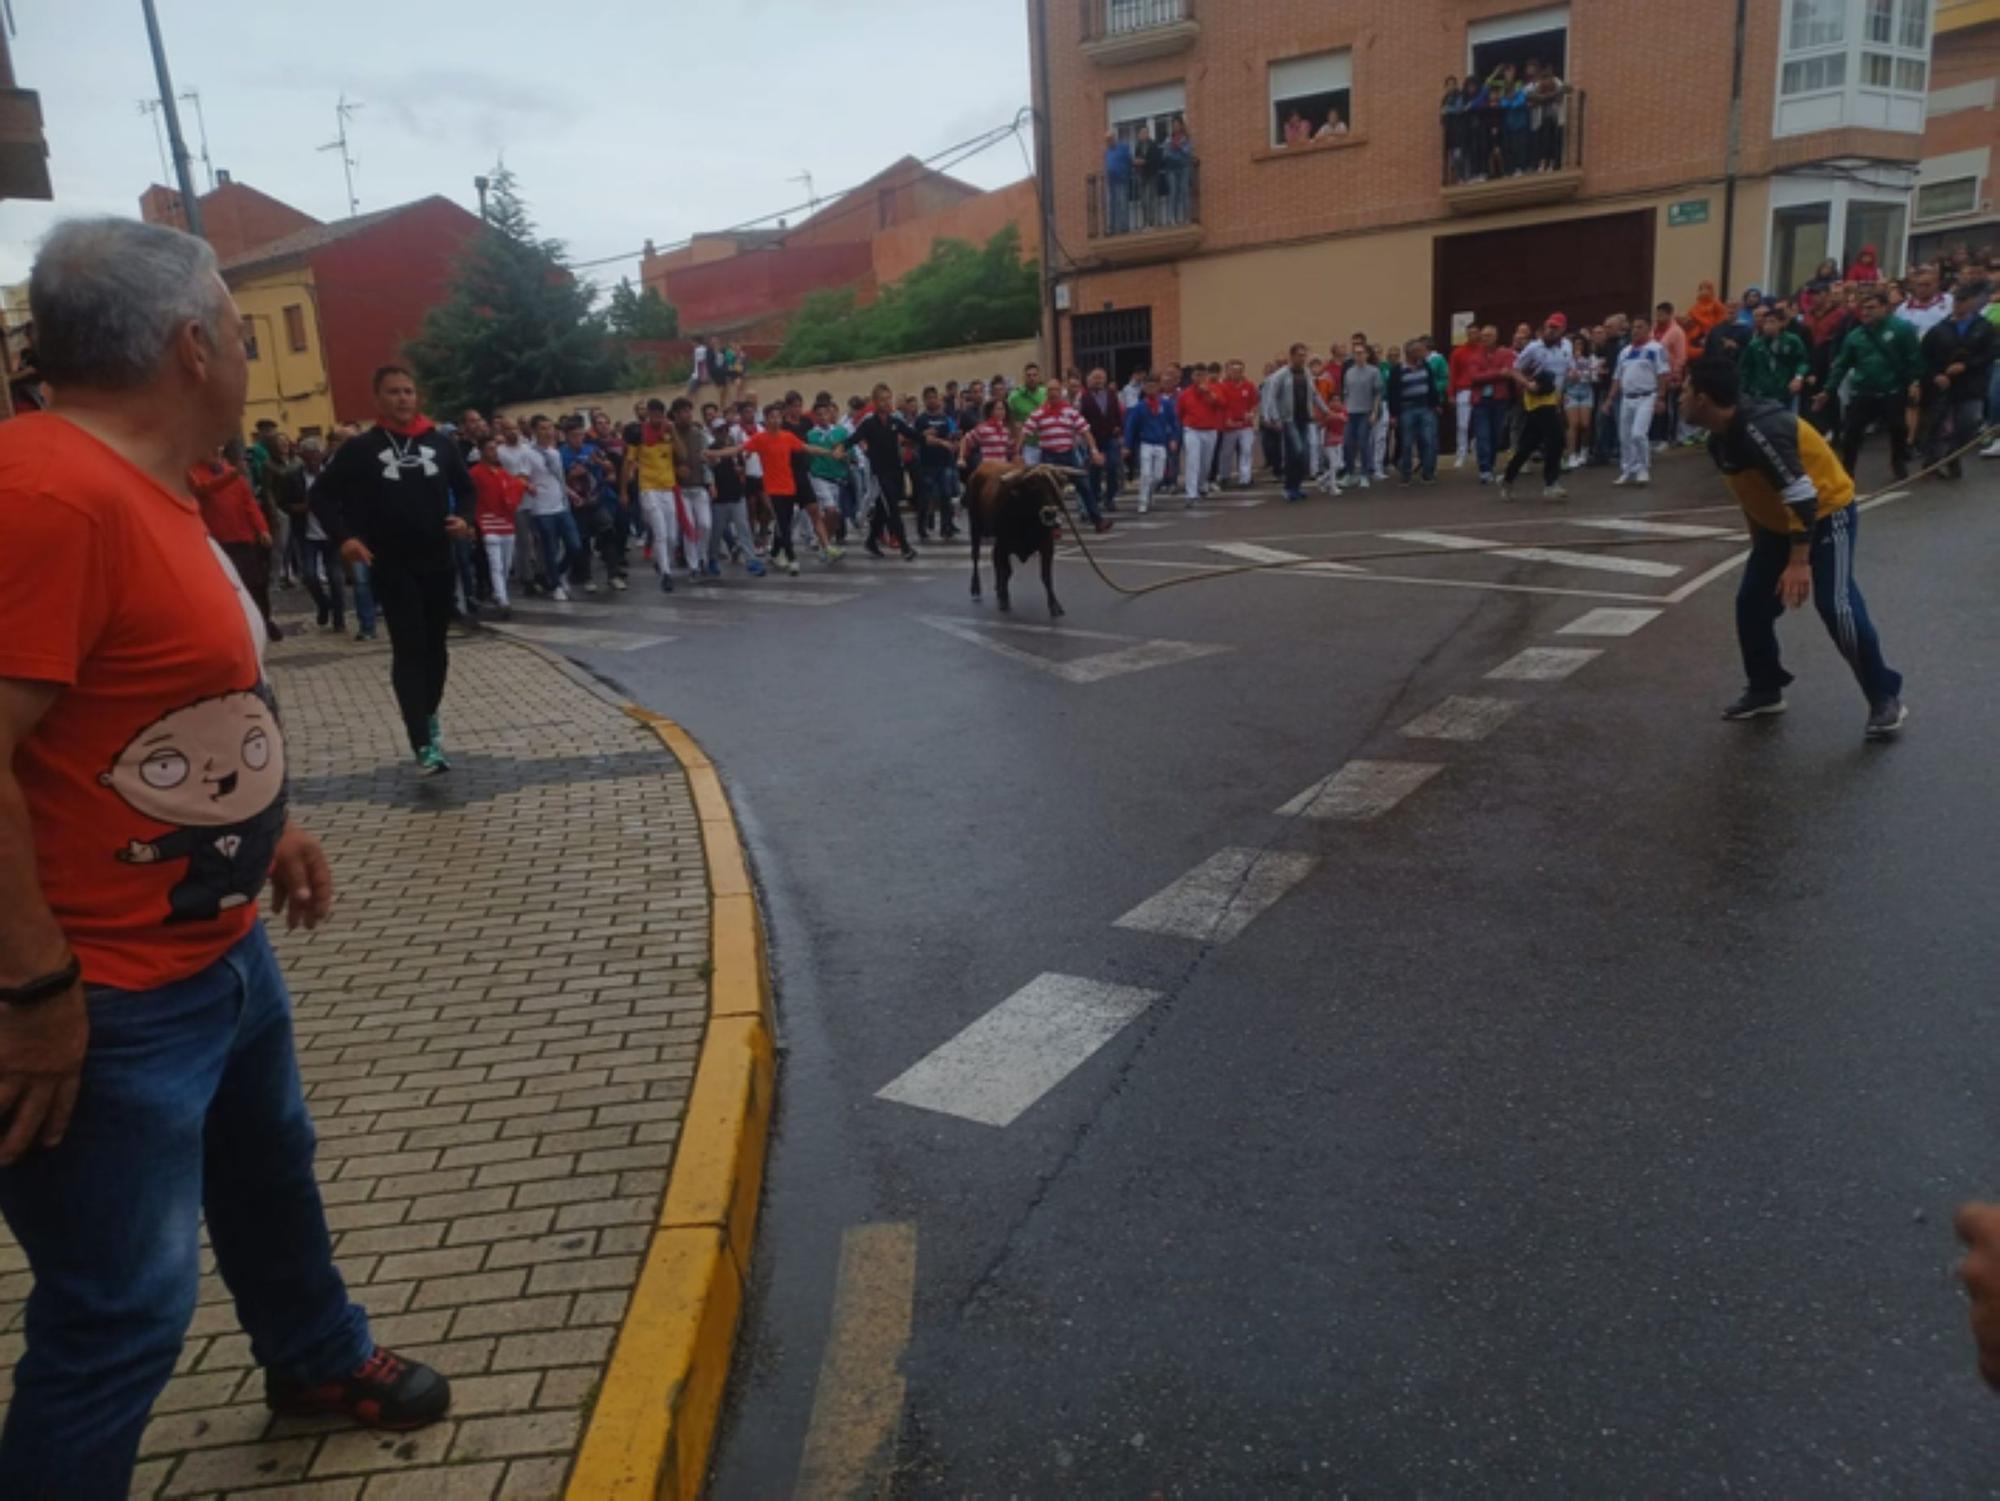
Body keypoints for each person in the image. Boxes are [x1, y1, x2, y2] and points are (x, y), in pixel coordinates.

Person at [0, 217, 451, 1498]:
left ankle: (313, 1357)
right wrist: (33, 994)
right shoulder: (42, 496)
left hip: (218, 943)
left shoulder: (153, 490)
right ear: (192, 345)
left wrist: (270, 825)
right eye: (244, 336)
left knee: (268, 1177)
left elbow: (153, 708)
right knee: (120, 1314)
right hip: (102, 1001)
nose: (250, 361)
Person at [1683, 357, 1906, 738]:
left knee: (1835, 606)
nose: (1680, 398)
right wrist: (1762, 547)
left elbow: (1804, 498)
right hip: (1777, 527)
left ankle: (1884, 697)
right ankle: (1765, 688)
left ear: (1703, 398)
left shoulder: (1761, 432)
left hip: (1826, 514)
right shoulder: (1718, 438)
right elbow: (1750, 491)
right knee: (1751, 602)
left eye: (1685, 391)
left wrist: (1799, 562)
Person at [321, 367, 476, 774]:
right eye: (393, 392)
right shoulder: (361, 449)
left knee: (436, 649)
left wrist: (464, 518)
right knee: (409, 648)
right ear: (378, 398)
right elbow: (321, 495)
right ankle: (422, 741)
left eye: (408, 391)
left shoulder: (441, 443)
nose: (403, 398)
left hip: (438, 559)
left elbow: (466, 489)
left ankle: (428, 715)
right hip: (391, 562)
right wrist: (345, 538)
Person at [1818, 287, 1921, 482]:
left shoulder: (1901, 329)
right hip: (1864, 390)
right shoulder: (1855, 336)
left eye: (1871, 307)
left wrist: (1914, 382)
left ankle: (1897, 461)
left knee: (1898, 428)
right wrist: (1828, 390)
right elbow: (1841, 364)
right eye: (1863, 308)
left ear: (1884, 307)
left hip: (1892, 389)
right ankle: (1847, 469)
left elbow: (1914, 358)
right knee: (1852, 432)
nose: (1866, 312)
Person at [188, 445, 279, 639]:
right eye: (211, 449)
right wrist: (232, 475)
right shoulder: (194, 473)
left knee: (256, 583)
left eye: (218, 450)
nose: (216, 454)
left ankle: (264, 620)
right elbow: (203, 489)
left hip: (242, 538)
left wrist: (261, 528)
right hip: (217, 541)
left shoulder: (232, 473)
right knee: (228, 587)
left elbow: (249, 504)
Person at [1917, 279, 1995, 478]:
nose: (1959, 304)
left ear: (1972, 302)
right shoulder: (1940, 329)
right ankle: (1931, 461)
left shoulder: (1983, 327)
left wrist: (1967, 365)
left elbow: (1990, 354)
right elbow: (1925, 356)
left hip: (1971, 384)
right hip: (1944, 384)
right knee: (1935, 423)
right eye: (1956, 300)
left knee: (1968, 422)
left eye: (1964, 300)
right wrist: (1935, 375)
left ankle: (1953, 454)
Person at [1499, 316, 1573, 500]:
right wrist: (1527, 384)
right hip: (1537, 398)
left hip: (1555, 399)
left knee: (1528, 444)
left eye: (1555, 328)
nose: (1551, 331)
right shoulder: (1533, 348)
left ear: (1563, 330)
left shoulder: (1567, 347)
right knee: (1555, 438)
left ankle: (1508, 479)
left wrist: (1573, 374)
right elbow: (1514, 370)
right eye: (1549, 327)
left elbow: (1567, 369)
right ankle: (1551, 484)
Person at [622, 399, 682, 593]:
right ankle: (666, 573)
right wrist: (624, 489)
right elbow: (628, 462)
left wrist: (673, 432)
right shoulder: (638, 434)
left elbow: (683, 454)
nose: (657, 417)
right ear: (648, 414)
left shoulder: (669, 432)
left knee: (673, 536)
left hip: (668, 488)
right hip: (648, 489)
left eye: (660, 413)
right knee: (661, 531)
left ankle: (662, 561)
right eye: (653, 413)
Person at [295, 436, 346, 635]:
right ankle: (324, 604)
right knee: (309, 575)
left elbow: (343, 500)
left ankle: (339, 620)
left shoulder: (332, 475)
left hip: (331, 534)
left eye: (315, 458)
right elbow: (287, 502)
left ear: (321, 455)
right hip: (308, 534)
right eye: (308, 459)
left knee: (336, 577)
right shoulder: (296, 477)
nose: (313, 463)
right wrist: (301, 507)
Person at [1608, 318, 1666, 485]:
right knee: (1624, 436)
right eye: (1634, 327)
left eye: (1640, 327)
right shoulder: (1625, 352)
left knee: (1638, 434)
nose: (1635, 330)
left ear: (1649, 329)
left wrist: (1661, 398)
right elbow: (1617, 377)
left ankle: (1643, 469)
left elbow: (1662, 374)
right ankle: (1627, 469)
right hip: (1627, 398)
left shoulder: (1656, 349)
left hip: (1647, 396)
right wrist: (1610, 399)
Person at [1122, 374, 1181, 512]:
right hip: (1146, 444)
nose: (1151, 389)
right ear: (1144, 388)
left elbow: (1174, 423)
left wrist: (1174, 438)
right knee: (1145, 473)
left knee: (1158, 476)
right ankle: (1142, 502)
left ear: (1159, 387)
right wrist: (1127, 445)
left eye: (1154, 386)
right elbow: (1131, 427)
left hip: (1161, 444)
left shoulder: (1166, 404)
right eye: (1148, 386)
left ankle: (1149, 491)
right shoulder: (1139, 407)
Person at [1386, 340, 1442, 483]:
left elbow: (1431, 386)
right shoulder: (1398, 370)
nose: (1423, 352)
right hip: (1406, 409)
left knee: (1428, 440)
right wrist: (1393, 414)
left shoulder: (1426, 366)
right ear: (1410, 353)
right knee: (1406, 442)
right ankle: (1406, 475)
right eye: (1419, 350)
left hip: (1425, 407)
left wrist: (1436, 404)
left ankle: (1428, 473)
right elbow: (1392, 393)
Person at [1466, 324, 1513, 483]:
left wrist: (1488, 373)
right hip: (1481, 401)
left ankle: (1490, 465)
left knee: (1495, 435)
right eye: (1483, 335)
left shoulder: (1506, 354)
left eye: (1489, 335)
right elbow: (1474, 377)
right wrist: (1498, 372)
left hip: (1499, 400)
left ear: (1496, 337)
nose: (1485, 338)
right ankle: (1484, 469)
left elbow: (1509, 372)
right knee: (1483, 435)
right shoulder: (1474, 356)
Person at [1740, 304, 1810, 408]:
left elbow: (1802, 362)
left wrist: (1798, 378)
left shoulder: (1792, 341)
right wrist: (1746, 390)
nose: (1768, 325)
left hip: (1784, 392)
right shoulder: (1755, 345)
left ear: (1781, 323)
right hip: (1760, 393)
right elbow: (1744, 368)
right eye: (1766, 322)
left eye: (1772, 321)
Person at [1176, 365, 1226, 505]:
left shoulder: (1214, 389)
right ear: (1192, 377)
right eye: (1197, 375)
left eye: (1202, 375)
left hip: (1210, 430)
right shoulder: (1185, 394)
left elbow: (1222, 404)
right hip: (1192, 430)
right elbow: (1179, 413)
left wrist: (1209, 393)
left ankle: (1202, 485)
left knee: (1206, 462)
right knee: (1193, 460)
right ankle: (1191, 493)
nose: (1200, 378)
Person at [1078, 368, 1126, 511]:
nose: (1098, 381)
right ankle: (1096, 497)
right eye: (1095, 378)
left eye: (1100, 378)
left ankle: (1110, 497)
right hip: (1094, 438)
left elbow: (1117, 414)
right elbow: (1082, 418)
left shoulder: (1111, 395)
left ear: (1105, 380)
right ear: (1089, 380)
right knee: (1095, 470)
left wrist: (1119, 429)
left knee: (1113, 466)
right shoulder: (1085, 398)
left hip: (1110, 436)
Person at [1337, 337, 1381, 490]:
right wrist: (1343, 411)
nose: (1358, 356)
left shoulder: (1374, 371)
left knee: (1363, 443)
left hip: (1365, 412)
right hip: (1351, 412)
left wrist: (1374, 412)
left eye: (1361, 353)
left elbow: (1377, 394)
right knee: (1348, 444)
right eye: (1355, 353)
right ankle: (1350, 473)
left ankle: (1364, 474)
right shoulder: (1349, 372)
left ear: (1367, 354)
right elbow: (1346, 393)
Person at [1560, 332, 1600, 471]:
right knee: (1573, 424)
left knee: (1585, 424)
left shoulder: (1591, 358)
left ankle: (1584, 450)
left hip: (1586, 392)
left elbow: (1594, 377)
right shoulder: (1566, 359)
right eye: (1575, 344)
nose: (1578, 347)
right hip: (1570, 392)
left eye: (1580, 344)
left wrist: (1582, 371)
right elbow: (1562, 376)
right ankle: (1571, 455)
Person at [1162, 116, 1194, 226]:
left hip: (1184, 168)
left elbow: (1188, 152)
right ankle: (1172, 218)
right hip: (1171, 169)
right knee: (1173, 192)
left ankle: (1187, 218)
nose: (1175, 126)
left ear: (1181, 125)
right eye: (1173, 125)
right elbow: (1165, 154)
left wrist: (1179, 146)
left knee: (1184, 192)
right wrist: (1173, 151)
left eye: (1177, 124)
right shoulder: (1168, 139)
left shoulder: (1186, 138)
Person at [1104, 130, 1133, 236]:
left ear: (1114, 138)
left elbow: (1129, 161)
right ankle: (1113, 228)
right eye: (1107, 140)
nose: (1108, 141)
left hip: (1122, 180)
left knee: (1122, 203)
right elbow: (1107, 166)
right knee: (1113, 205)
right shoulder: (1107, 152)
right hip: (1112, 182)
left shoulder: (1123, 148)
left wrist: (1126, 174)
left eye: (1110, 139)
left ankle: (1124, 227)